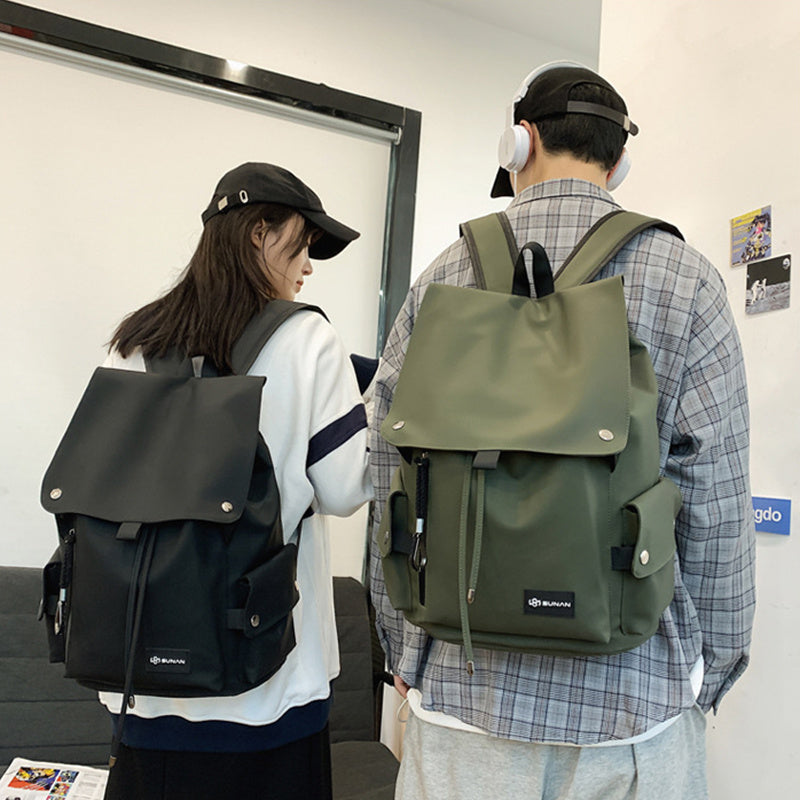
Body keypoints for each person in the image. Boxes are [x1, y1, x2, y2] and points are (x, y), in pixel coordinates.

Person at [368, 63, 755, 799]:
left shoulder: (443, 278)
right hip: (634, 709)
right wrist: (711, 671)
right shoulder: (686, 280)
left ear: (521, 143)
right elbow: (717, 505)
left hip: (463, 701)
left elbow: (386, 461)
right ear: (618, 161)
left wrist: (404, 648)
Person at [101, 162, 374, 800]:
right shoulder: (308, 337)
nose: (308, 266)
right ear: (258, 232)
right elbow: (342, 489)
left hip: (143, 676)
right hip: (268, 683)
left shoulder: (134, 340)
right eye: (303, 245)